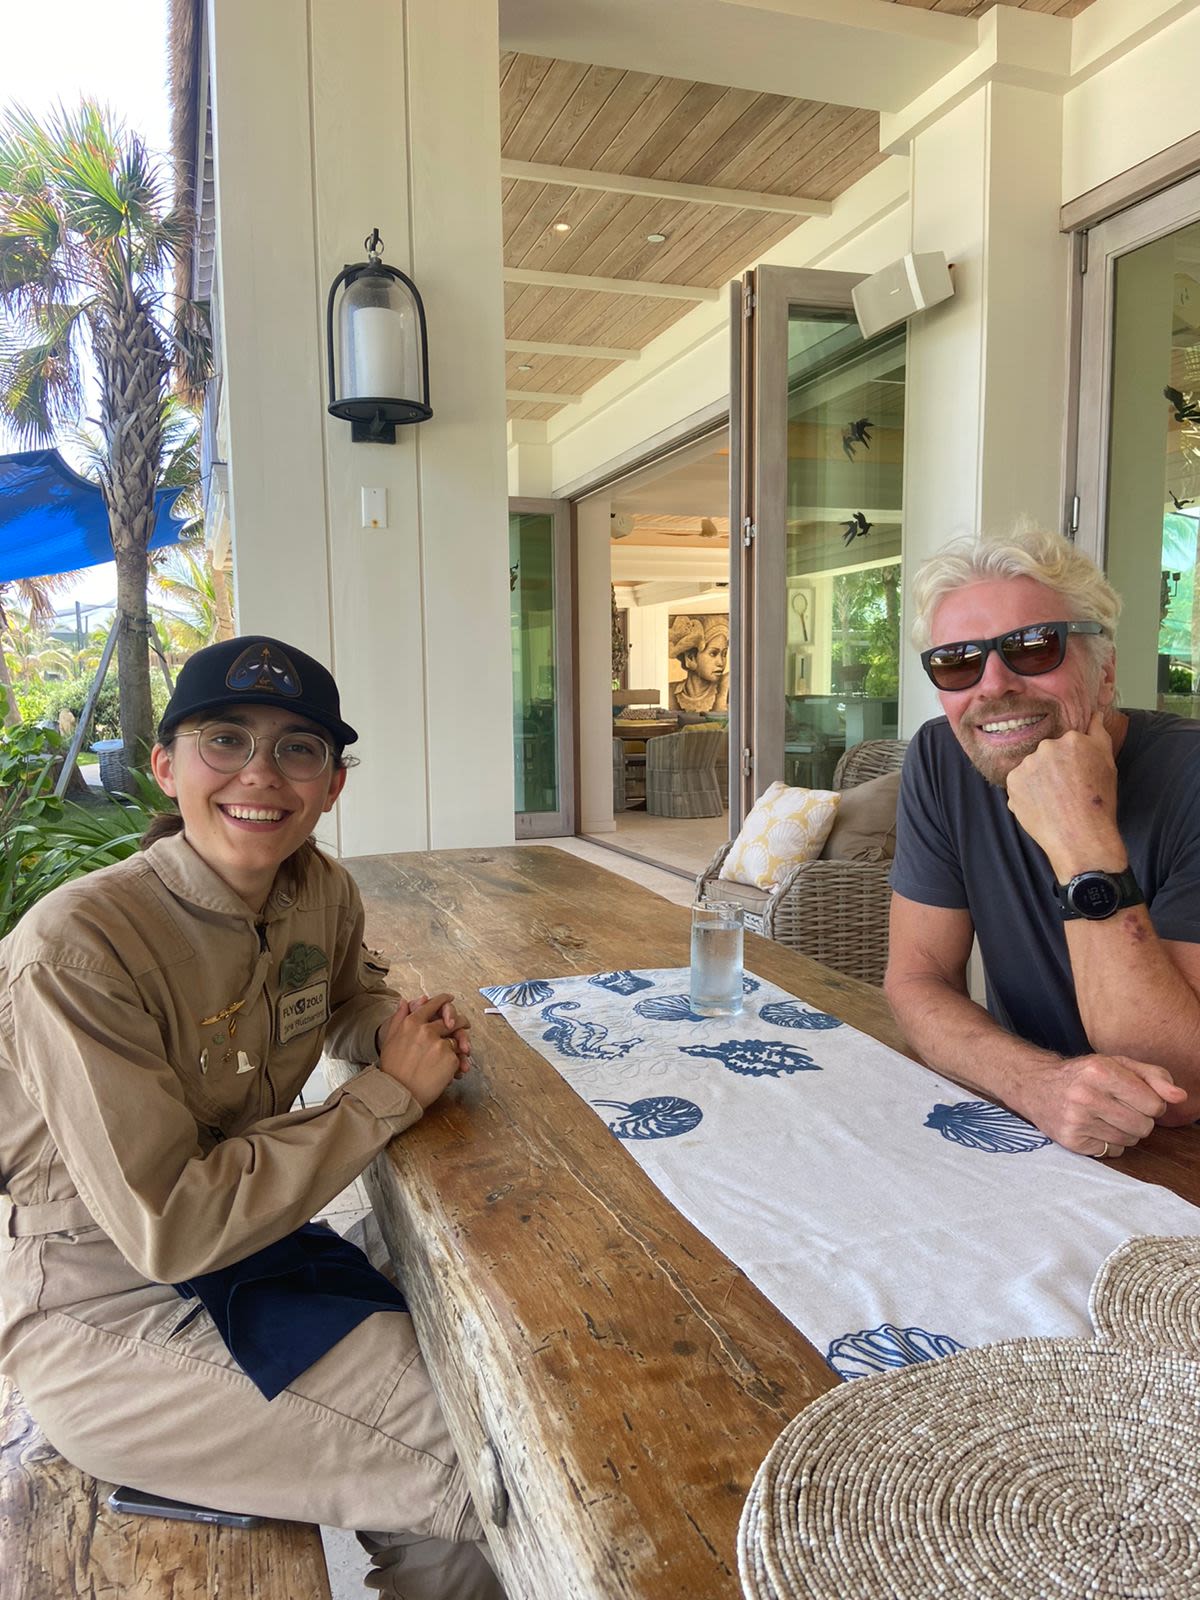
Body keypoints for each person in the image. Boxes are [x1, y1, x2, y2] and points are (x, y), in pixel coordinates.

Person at [0, 636, 503, 1600]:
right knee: (490, 1451)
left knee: (487, 1359)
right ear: (167, 765)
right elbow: (172, 1224)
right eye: (225, 739)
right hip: (100, 1309)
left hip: (255, 1250)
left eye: (299, 748)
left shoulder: (318, 889)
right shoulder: (80, 947)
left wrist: (399, 1030)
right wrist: (387, 1093)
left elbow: (344, 1000)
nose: (261, 775)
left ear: (332, 785)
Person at [885, 529, 1200, 1158]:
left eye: (1034, 648)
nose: (993, 684)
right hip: (1043, 1134)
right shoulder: (942, 758)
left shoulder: (1191, 777)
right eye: (957, 661)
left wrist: (1080, 837)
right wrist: (1035, 1084)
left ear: (1104, 671)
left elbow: (1177, 1088)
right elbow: (917, 977)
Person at [668, 613, 729, 714]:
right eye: (713, 653)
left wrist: (722, 695)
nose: (721, 662)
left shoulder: (726, 689)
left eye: (724, 654)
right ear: (690, 658)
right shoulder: (669, 691)